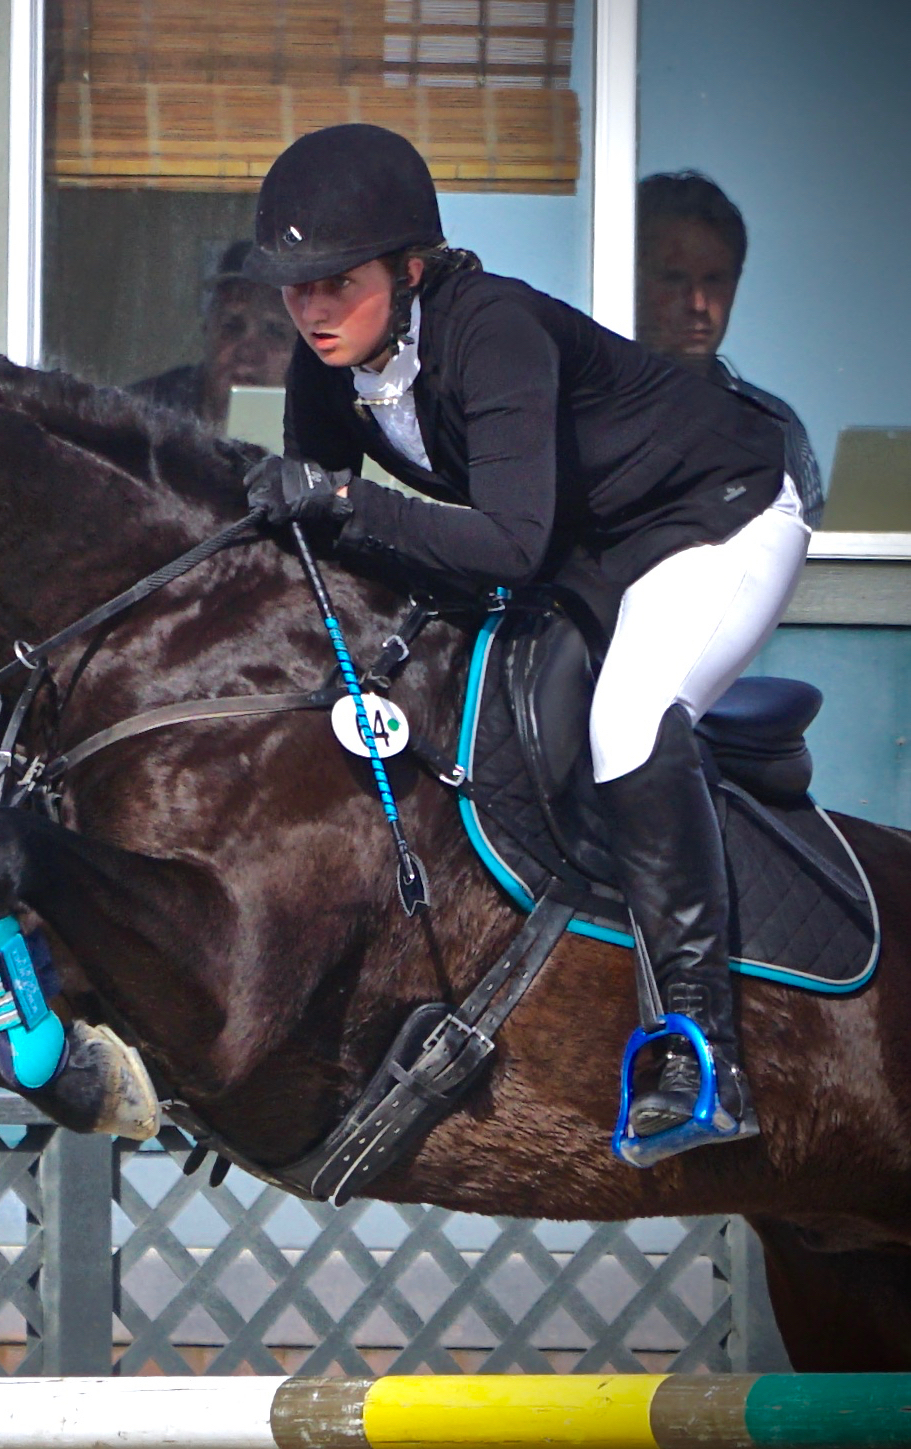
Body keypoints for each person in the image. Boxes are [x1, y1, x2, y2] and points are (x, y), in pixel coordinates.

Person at [241, 124, 811, 1159]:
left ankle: (700, 1050)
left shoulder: (492, 328)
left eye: (337, 282)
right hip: (592, 543)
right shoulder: (325, 366)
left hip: (724, 509)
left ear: (410, 270)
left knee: (628, 713)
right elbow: (335, 554)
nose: (312, 309)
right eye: (295, 285)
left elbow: (501, 541)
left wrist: (335, 498)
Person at [638, 171, 825, 524]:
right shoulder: (590, 409)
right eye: (674, 278)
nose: (697, 303)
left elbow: (813, 553)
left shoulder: (773, 425)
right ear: (632, 279)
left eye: (714, 280)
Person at [131, 241, 299, 426]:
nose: (248, 353)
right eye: (232, 327)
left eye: (275, 332)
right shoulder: (140, 415)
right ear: (207, 330)